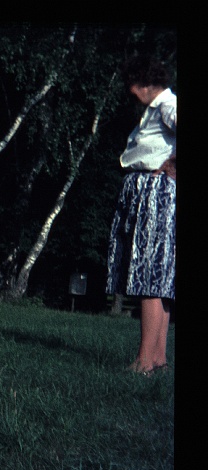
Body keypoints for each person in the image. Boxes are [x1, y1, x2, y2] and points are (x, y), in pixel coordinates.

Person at [106, 54, 176, 376]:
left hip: (154, 192)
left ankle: (144, 361)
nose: (130, 93)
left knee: (148, 276)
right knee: (158, 279)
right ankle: (158, 359)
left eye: (131, 86)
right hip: (152, 192)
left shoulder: (167, 105)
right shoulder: (156, 109)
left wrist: (173, 164)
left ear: (144, 83)